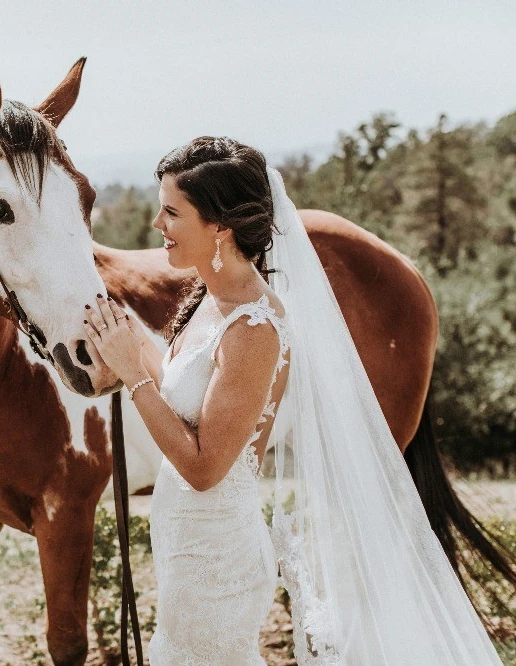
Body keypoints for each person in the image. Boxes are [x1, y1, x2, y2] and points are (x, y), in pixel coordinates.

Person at [85, 137, 502, 665]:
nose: (156, 225)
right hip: (185, 548)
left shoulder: (255, 326)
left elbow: (205, 466)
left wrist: (133, 378)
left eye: (171, 212)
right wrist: (121, 342)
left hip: (217, 560)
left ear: (220, 226)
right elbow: (178, 381)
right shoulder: (210, 303)